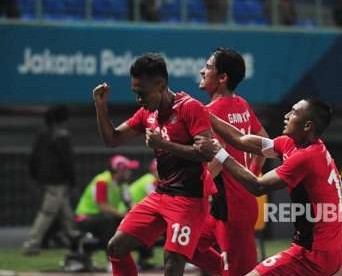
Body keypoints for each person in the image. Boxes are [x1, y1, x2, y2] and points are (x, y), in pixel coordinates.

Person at [92, 52, 214, 276]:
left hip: (189, 199)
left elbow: (206, 153)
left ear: (160, 85)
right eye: (135, 93)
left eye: (142, 93)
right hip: (161, 195)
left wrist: (165, 145)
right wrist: (101, 106)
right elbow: (112, 139)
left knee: (172, 264)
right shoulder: (146, 113)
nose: (139, 99)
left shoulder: (190, 107)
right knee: (116, 247)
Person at [197, 98, 342, 276]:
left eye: (294, 113)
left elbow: (257, 186)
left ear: (307, 126)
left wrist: (219, 153)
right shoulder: (291, 144)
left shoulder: (306, 157)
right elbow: (240, 139)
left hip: (314, 255)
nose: (286, 116)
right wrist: (204, 114)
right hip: (323, 250)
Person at [190, 47, 268, 276]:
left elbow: (217, 158)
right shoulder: (241, 103)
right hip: (225, 204)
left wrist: (193, 190)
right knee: (187, 246)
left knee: (240, 271)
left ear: (222, 78)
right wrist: (254, 171)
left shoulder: (208, 112)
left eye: (208, 67)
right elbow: (263, 138)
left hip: (234, 207)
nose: (202, 71)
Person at [23, 105, 79, 256]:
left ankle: (75, 240)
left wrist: (35, 176)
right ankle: (32, 243)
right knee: (47, 212)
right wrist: (73, 181)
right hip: (57, 180)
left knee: (65, 212)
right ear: (63, 120)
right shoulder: (62, 136)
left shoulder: (42, 135)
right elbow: (66, 161)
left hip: (45, 179)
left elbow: (33, 158)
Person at [74, 155, 139, 255]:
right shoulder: (102, 181)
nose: (130, 172)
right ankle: (111, 257)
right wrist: (123, 215)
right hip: (85, 217)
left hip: (102, 217)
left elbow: (130, 202)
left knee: (132, 222)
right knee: (109, 221)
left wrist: (137, 214)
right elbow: (103, 206)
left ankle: (140, 258)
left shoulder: (123, 184)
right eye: (127, 169)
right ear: (119, 170)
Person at [128, 159, 160, 271]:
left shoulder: (154, 180)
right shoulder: (149, 181)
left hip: (139, 211)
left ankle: (144, 260)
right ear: (154, 170)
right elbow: (157, 202)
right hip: (131, 211)